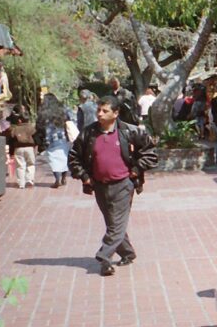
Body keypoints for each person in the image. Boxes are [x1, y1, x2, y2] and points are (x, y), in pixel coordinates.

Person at [68, 96, 158, 276]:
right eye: (98, 111)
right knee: (113, 223)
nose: (99, 114)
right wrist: (84, 176)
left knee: (116, 224)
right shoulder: (88, 133)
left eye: (105, 111)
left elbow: (150, 154)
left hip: (124, 184)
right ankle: (127, 252)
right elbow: (74, 157)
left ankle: (104, 257)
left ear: (116, 113)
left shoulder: (130, 132)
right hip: (100, 185)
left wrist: (135, 170)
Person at [35, 93, 72, 188]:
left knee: (54, 159)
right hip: (63, 137)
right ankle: (64, 177)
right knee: (64, 158)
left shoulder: (43, 112)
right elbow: (69, 119)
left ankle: (57, 179)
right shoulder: (62, 109)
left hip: (50, 139)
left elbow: (39, 126)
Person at [5, 107, 37, 189]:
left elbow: (11, 139)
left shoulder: (15, 129)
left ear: (19, 120)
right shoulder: (31, 128)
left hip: (18, 149)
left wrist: (11, 152)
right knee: (31, 164)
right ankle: (29, 179)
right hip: (30, 148)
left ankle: (21, 183)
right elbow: (36, 138)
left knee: (20, 166)